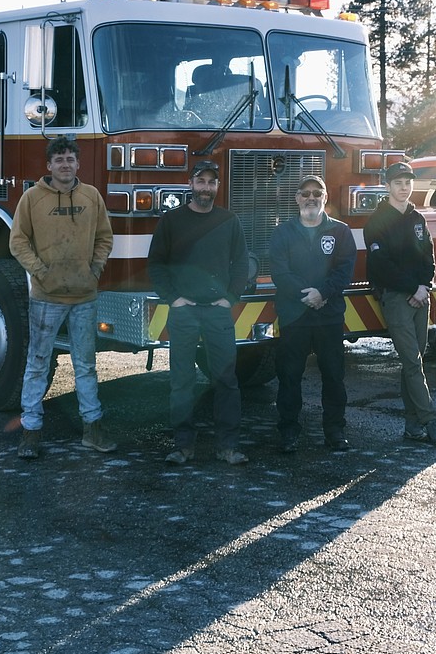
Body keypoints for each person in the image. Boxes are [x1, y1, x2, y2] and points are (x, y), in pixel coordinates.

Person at [9, 136, 116, 460]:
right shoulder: (32, 199)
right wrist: (40, 271)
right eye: (59, 160)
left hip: (84, 296)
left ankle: (92, 429)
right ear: (49, 166)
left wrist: (94, 269)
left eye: (70, 159)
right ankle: (30, 431)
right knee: (37, 364)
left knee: (86, 365)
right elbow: (18, 241)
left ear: (78, 164)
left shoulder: (91, 196)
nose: (65, 165)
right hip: (46, 298)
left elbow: (104, 237)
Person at [148, 159, 251, 465]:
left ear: (217, 187)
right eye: (201, 181)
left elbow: (241, 263)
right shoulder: (171, 221)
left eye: (212, 182)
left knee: (226, 381)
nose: (206, 188)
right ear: (190, 184)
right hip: (184, 312)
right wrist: (173, 298)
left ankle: (228, 446)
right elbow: (156, 264)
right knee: (181, 380)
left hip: (218, 312)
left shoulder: (229, 221)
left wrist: (231, 298)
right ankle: (183, 446)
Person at [269, 175, 356, 452]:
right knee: (289, 376)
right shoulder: (282, 232)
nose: (311, 198)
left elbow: (344, 271)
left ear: (325, 197)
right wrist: (307, 296)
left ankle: (335, 431)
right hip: (294, 315)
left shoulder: (341, 232)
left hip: (328, 315)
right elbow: (279, 272)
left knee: (333, 376)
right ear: (296, 198)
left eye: (317, 193)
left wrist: (323, 293)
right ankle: (288, 432)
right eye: (305, 193)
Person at [365, 161, 436, 446]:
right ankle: (430, 419)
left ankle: (412, 426)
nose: (404, 187)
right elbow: (380, 265)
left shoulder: (417, 219)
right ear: (388, 186)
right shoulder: (377, 221)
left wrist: (425, 286)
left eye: (408, 182)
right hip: (396, 297)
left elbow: (429, 257)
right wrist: (413, 287)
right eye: (398, 182)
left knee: (415, 360)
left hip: (420, 295)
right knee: (411, 360)